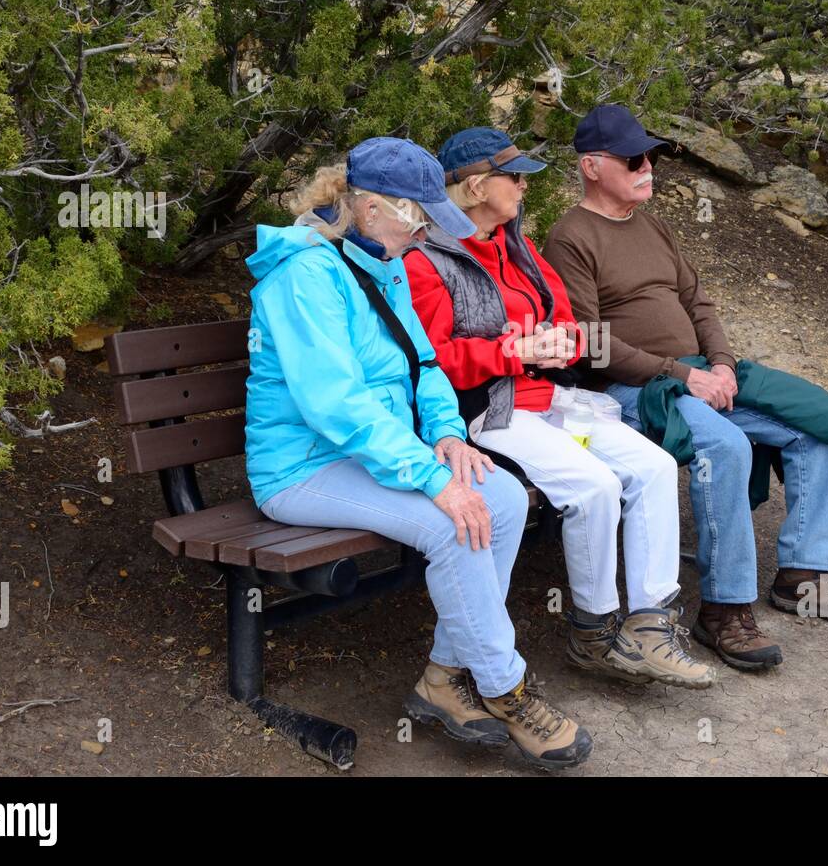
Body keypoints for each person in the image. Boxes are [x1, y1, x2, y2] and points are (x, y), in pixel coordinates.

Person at [244, 136, 591, 770]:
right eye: (421, 216)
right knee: (453, 522)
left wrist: (447, 435)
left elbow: (423, 362)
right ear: (373, 207)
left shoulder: (383, 258)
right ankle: (505, 688)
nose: (429, 229)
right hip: (302, 468)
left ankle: (443, 675)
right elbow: (336, 405)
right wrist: (432, 479)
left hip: (370, 455)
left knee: (506, 499)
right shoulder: (303, 276)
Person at [543, 105, 828, 674]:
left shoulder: (652, 224)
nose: (648, 166)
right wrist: (683, 377)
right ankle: (723, 610)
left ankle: (805, 575)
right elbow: (589, 346)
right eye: (634, 159)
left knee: (816, 422)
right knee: (724, 446)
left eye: (650, 155)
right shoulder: (570, 238)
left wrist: (720, 365)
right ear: (593, 166)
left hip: (700, 371)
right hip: (631, 391)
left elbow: (698, 302)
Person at [404, 127, 713, 689]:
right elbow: (429, 361)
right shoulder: (427, 260)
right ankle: (593, 632)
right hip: (486, 413)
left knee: (654, 466)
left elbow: (573, 325)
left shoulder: (515, 246)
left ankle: (648, 627)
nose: (525, 187)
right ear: (475, 187)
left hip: (550, 399)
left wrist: (559, 343)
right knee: (593, 484)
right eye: (515, 177)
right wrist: (510, 351)